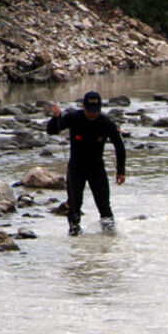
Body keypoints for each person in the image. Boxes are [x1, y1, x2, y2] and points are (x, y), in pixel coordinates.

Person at [46, 91, 126, 236]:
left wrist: (121, 171)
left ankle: (110, 238)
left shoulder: (106, 123)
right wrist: (56, 117)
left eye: (95, 111)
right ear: (83, 107)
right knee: (74, 205)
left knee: (104, 206)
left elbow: (119, 146)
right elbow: (52, 130)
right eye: (89, 110)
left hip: (96, 168)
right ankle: (75, 236)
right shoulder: (74, 118)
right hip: (76, 168)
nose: (92, 114)